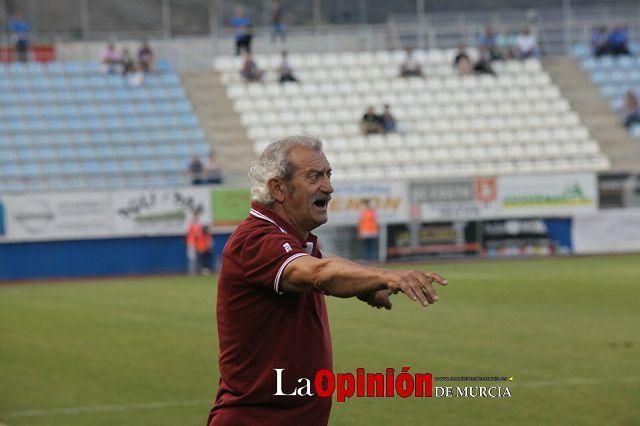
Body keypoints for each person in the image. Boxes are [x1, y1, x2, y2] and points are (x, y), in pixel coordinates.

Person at [207, 135, 448, 425]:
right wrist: (391, 277)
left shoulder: (292, 240)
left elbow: (325, 261)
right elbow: (321, 273)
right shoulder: (256, 239)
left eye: (328, 174)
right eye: (314, 176)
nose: (329, 187)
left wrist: (368, 288)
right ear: (278, 188)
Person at [186, 210, 203, 276]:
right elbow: (189, 233)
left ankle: (197, 272)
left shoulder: (199, 224)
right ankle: (192, 272)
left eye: (197, 215)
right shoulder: (191, 224)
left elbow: (200, 234)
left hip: (198, 244)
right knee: (192, 259)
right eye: (195, 215)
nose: (196, 217)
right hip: (191, 243)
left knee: (198, 258)